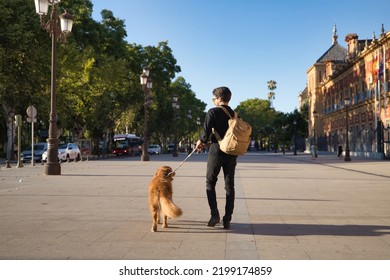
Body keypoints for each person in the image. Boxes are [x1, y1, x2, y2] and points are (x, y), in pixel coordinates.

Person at [195, 86, 237, 229]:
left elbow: (206, 132)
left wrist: (200, 142)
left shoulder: (213, 111)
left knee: (210, 182)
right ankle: (227, 219)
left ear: (219, 98)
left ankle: (214, 214)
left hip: (216, 151)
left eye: (215, 97)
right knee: (229, 185)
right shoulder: (235, 114)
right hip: (231, 152)